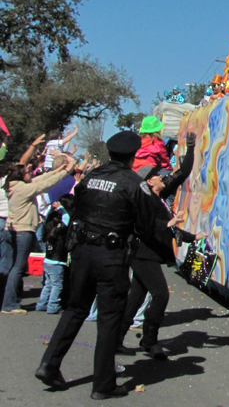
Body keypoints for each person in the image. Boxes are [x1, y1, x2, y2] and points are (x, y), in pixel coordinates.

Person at [35, 131, 160, 400]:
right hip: (111, 257)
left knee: (75, 309)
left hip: (81, 252)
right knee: (109, 318)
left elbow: (75, 206)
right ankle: (103, 384)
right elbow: (146, 225)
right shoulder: (133, 183)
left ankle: (49, 363)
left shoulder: (91, 177)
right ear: (134, 154)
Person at [118, 132, 200, 359]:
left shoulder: (159, 195)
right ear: (148, 180)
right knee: (161, 295)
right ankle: (150, 340)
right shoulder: (142, 198)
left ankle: (117, 337)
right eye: (156, 175)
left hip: (152, 253)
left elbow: (181, 173)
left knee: (136, 297)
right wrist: (169, 222)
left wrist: (191, 149)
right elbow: (144, 224)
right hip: (142, 253)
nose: (162, 176)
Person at [1, 157, 75, 313]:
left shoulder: (14, 186)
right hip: (22, 231)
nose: (30, 173)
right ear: (21, 176)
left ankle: (5, 299)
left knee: (8, 266)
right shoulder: (24, 189)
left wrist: (59, 170)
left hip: (11, 229)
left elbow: (41, 179)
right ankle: (9, 304)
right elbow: (46, 184)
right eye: (27, 172)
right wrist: (67, 171)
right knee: (17, 268)